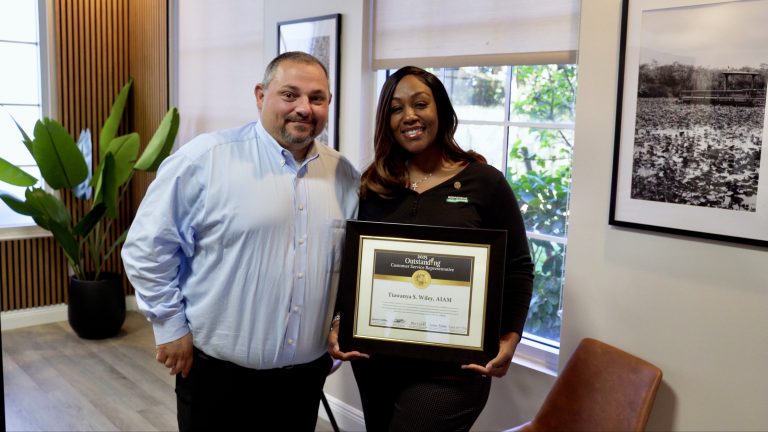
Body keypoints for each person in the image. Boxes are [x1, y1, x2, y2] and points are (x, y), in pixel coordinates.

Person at [121, 51, 359, 431]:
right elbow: (147, 248)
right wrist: (169, 325)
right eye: (290, 94)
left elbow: (350, 265)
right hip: (217, 378)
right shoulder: (205, 160)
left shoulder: (344, 176)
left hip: (303, 381)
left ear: (328, 103)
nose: (304, 108)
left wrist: (340, 322)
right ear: (261, 95)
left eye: (317, 98)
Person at [328, 66, 534, 432]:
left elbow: (518, 267)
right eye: (396, 108)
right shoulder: (374, 185)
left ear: (441, 110)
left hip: (454, 367)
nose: (409, 116)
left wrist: (510, 337)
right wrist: (340, 320)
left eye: (420, 104)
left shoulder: (484, 183)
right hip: (378, 359)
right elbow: (354, 264)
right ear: (386, 121)